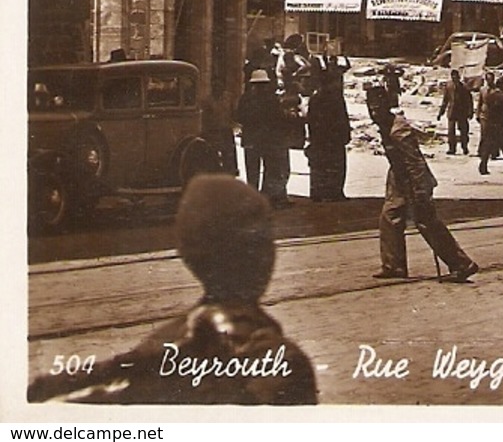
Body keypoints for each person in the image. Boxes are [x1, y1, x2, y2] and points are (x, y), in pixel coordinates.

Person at [28, 175, 318, 404]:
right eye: (264, 240)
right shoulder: (280, 361)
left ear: (187, 251)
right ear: (264, 254)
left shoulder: (161, 343)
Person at [367, 84, 478, 282]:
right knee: (389, 217)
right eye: (370, 107)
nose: (373, 112)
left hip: (414, 178)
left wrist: (419, 191)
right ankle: (394, 265)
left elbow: (415, 162)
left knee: (426, 222)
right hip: (399, 177)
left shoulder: (398, 129)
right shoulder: (384, 124)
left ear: (386, 105)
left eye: (376, 107)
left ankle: (462, 264)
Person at [236, 70, 290, 206]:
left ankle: (253, 197)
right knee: (268, 168)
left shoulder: (245, 98)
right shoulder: (271, 99)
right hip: (267, 139)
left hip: (251, 139)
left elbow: (238, 117)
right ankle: (266, 197)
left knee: (252, 170)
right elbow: (279, 119)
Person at [304, 65, 351, 202]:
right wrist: (345, 135)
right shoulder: (336, 98)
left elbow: (311, 120)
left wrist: (312, 137)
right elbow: (343, 118)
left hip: (320, 138)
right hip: (334, 138)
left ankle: (318, 192)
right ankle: (335, 192)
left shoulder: (315, 98)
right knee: (336, 165)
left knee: (319, 165)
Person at [438, 70, 473, 155]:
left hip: (462, 112)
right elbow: (445, 101)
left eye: (456, 76)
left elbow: (469, 101)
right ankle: (452, 148)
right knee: (451, 132)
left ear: (459, 77)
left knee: (464, 131)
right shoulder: (448, 86)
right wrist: (440, 113)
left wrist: (470, 112)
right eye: (453, 76)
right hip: (452, 111)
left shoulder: (464, 87)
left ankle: (464, 147)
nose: (454, 78)